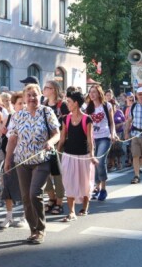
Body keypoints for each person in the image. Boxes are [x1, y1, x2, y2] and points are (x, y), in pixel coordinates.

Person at [4, 84, 60, 244]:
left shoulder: (46, 111)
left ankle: (41, 229)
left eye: (34, 95)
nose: (31, 98)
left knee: (34, 193)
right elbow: (12, 139)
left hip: (41, 159)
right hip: (22, 161)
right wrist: (8, 160)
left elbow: (57, 134)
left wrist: (50, 142)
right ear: (24, 97)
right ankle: (33, 229)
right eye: (28, 95)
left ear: (40, 95)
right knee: (25, 198)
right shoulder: (18, 116)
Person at [57, 91, 97, 222]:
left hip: (84, 157)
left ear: (76, 103)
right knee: (69, 183)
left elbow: (90, 140)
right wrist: (56, 153)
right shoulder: (66, 119)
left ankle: (85, 208)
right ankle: (72, 212)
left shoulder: (87, 119)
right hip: (69, 156)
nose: (67, 104)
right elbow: (62, 138)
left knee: (85, 183)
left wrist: (92, 156)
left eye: (69, 101)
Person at [0, 91, 25, 228]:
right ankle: (9, 216)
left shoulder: (30, 118)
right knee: (7, 186)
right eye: (20, 103)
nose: (23, 105)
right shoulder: (9, 118)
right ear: (14, 105)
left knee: (25, 187)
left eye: (24, 103)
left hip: (25, 156)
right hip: (10, 155)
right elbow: (3, 136)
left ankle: (25, 215)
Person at [85, 85, 116, 201]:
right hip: (92, 138)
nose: (92, 94)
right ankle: (96, 188)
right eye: (90, 92)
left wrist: (113, 134)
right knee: (93, 163)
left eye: (94, 92)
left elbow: (112, 122)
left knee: (100, 161)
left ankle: (103, 188)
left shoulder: (106, 105)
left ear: (99, 93)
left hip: (104, 137)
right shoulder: (88, 107)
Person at [42, 80, 68, 214]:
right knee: (44, 172)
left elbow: (65, 127)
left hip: (58, 143)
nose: (44, 89)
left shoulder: (62, 105)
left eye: (46, 87)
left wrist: (60, 144)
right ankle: (51, 198)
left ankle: (59, 201)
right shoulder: (44, 104)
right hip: (45, 143)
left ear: (53, 90)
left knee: (57, 173)